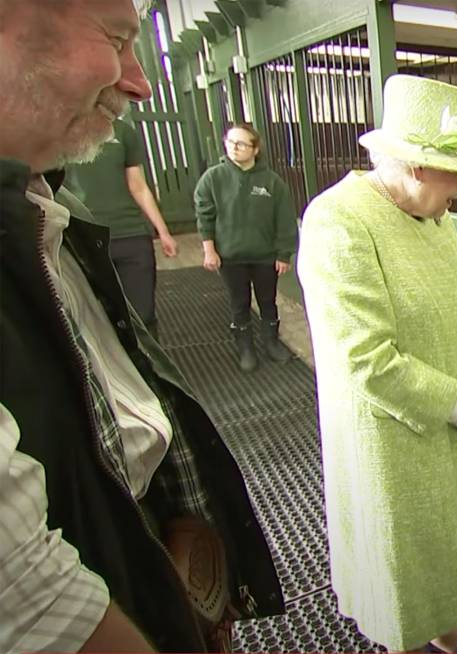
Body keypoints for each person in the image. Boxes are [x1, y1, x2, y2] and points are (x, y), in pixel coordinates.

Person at [0, 1, 283, 651]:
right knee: (238, 306)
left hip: (146, 550)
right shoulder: (207, 182)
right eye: (117, 39)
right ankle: (244, 340)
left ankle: (262, 335)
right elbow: (29, 597)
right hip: (103, 588)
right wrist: (196, 239)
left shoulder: (46, 211)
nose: (139, 79)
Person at [298, 74, 457, 653]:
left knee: (447, 557)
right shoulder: (338, 221)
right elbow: (363, 356)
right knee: (404, 569)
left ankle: (451, 640)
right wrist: (450, 401)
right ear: (416, 165)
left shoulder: (435, 215)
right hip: (394, 439)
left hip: (456, 423)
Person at [194, 123, 298, 373]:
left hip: (264, 256)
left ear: (255, 148)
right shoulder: (213, 178)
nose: (234, 148)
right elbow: (204, 215)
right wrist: (209, 250)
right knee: (239, 303)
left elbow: (284, 219)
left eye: (241, 144)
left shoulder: (272, 182)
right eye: (230, 142)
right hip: (230, 257)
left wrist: (284, 253)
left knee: (267, 301)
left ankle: (272, 344)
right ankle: (246, 348)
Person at [66, 117, 179, 337]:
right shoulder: (56, 129)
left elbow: (138, 186)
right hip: (84, 237)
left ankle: (151, 369)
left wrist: (163, 231)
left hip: (131, 233)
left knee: (143, 314)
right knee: (99, 317)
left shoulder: (123, 131)